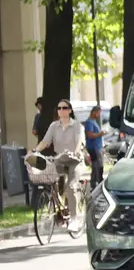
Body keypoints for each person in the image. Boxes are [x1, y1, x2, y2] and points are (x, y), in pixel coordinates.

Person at [29, 99, 85, 231]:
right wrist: (35, 151)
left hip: (75, 160)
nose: (61, 110)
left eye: (64, 108)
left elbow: (79, 142)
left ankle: (74, 218)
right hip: (60, 158)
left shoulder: (77, 126)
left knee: (71, 186)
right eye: (59, 108)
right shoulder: (54, 126)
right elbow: (45, 142)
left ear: (70, 110)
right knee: (48, 176)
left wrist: (75, 152)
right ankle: (58, 204)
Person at [84, 105, 107, 188]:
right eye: (98, 113)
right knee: (98, 165)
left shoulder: (93, 122)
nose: (99, 115)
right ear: (93, 112)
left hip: (97, 147)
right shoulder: (89, 122)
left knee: (95, 165)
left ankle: (94, 183)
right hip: (94, 147)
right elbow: (90, 135)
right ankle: (99, 181)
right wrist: (100, 134)